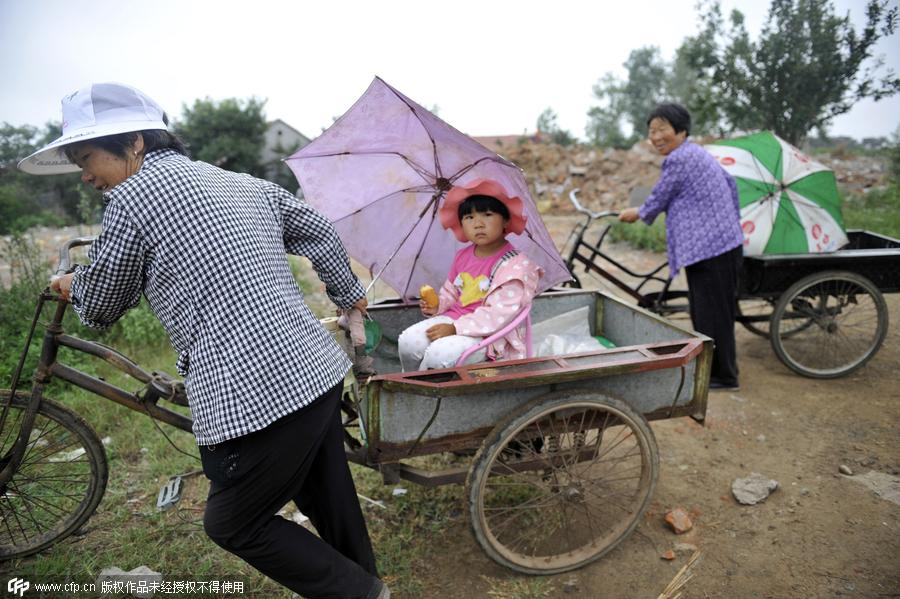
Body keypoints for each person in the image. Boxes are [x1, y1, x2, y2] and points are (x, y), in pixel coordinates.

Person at [19, 82, 388, 599]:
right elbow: (320, 231)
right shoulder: (239, 181)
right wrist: (350, 297)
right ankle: (364, 585)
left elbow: (101, 306)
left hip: (258, 392)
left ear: (135, 144)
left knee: (232, 523)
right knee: (330, 497)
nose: (85, 175)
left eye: (87, 157)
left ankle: (361, 593)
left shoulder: (133, 195)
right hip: (315, 371)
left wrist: (72, 284)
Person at [618, 102, 743, 391]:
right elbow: (731, 184)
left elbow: (660, 196)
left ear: (682, 130)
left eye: (663, 129)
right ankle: (716, 369)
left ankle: (724, 376)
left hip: (712, 248)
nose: (657, 137)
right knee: (708, 311)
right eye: (652, 131)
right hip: (717, 245)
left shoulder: (680, 158)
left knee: (712, 313)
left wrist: (637, 212)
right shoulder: (696, 153)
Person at [398, 178, 542, 371]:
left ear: (506, 220)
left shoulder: (516, 266)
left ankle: (429, 392)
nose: (478, 224)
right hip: (454, 319)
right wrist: (437, 305)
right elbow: (451, 293)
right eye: (469, 218)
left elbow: (498, 315)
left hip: (490, 335)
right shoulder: (462, 256)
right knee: (408, 342)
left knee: (438, 355)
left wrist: (456, 329)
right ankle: (411, 382)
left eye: (488, 214)